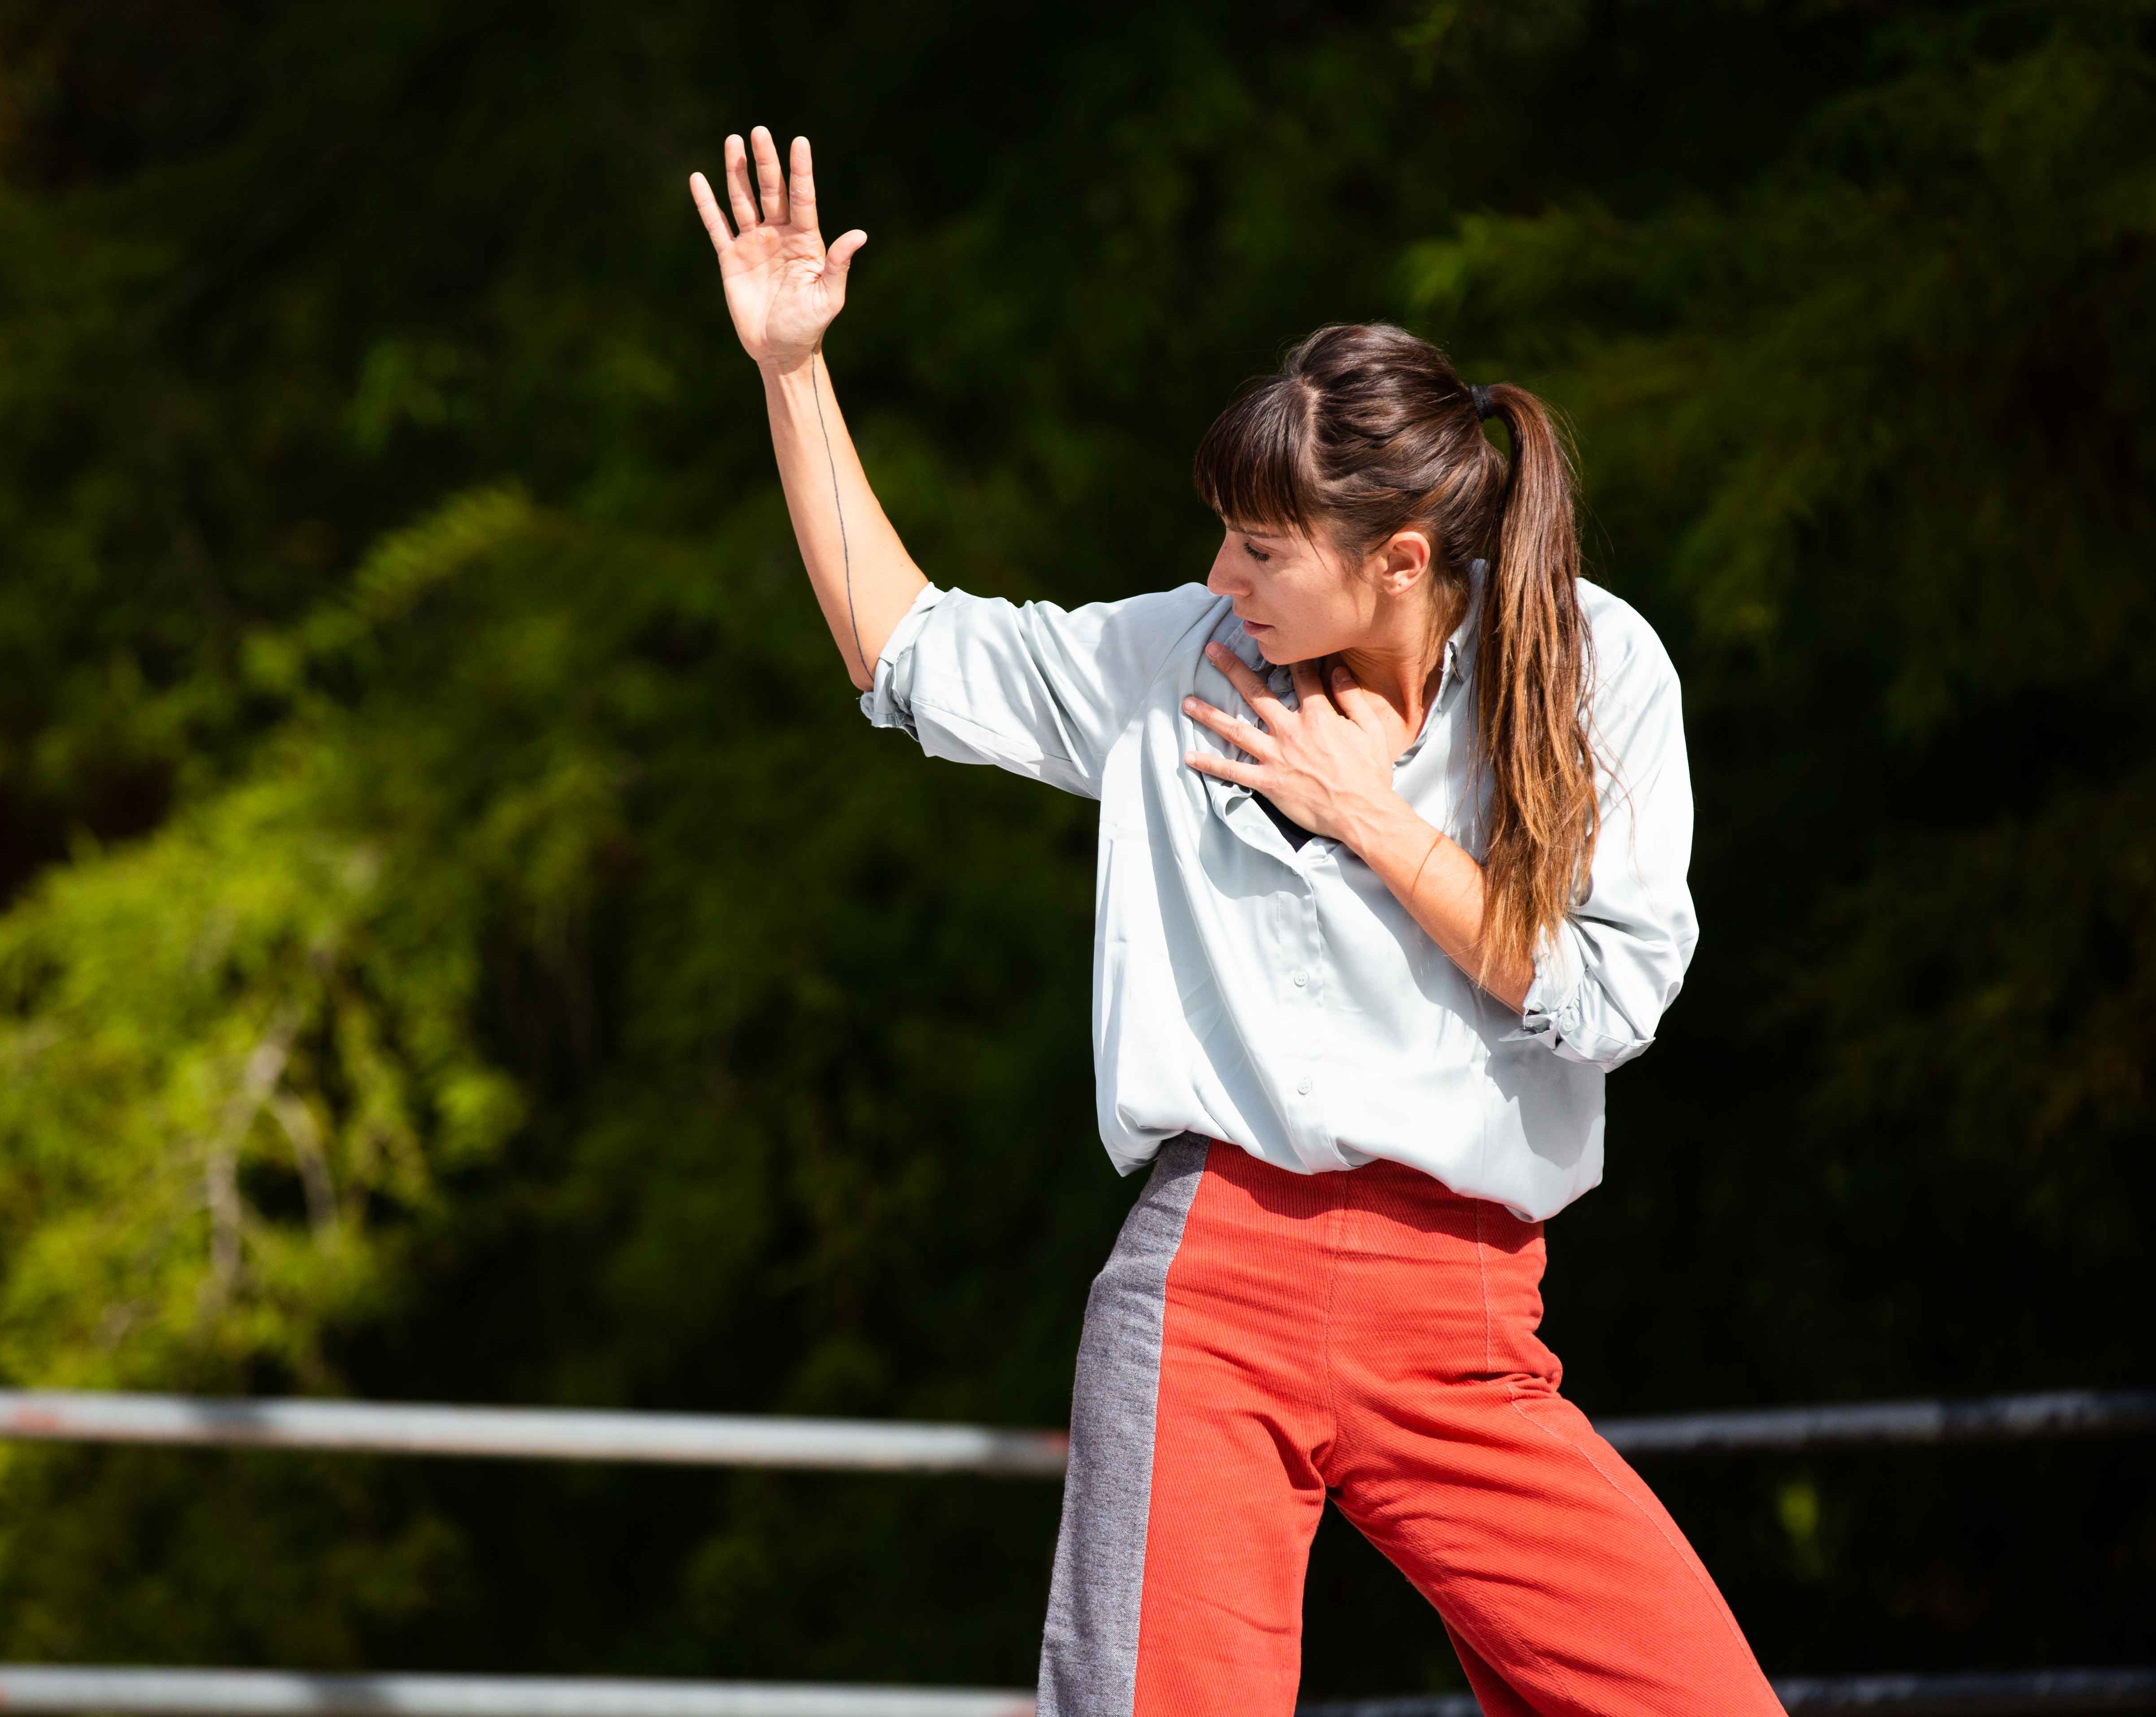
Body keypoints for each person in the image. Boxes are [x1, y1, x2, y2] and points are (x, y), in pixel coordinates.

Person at [689, 127, 1784, 1717]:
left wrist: (1373, 820)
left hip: (1470, 1315)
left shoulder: (1595, 668)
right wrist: (794, 374)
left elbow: (1613, 1001)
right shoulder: (1182, 657)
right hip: (1214, 1288)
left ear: (1398, 563)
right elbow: (905, 649)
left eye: (1262, 548)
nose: (1222, 573)